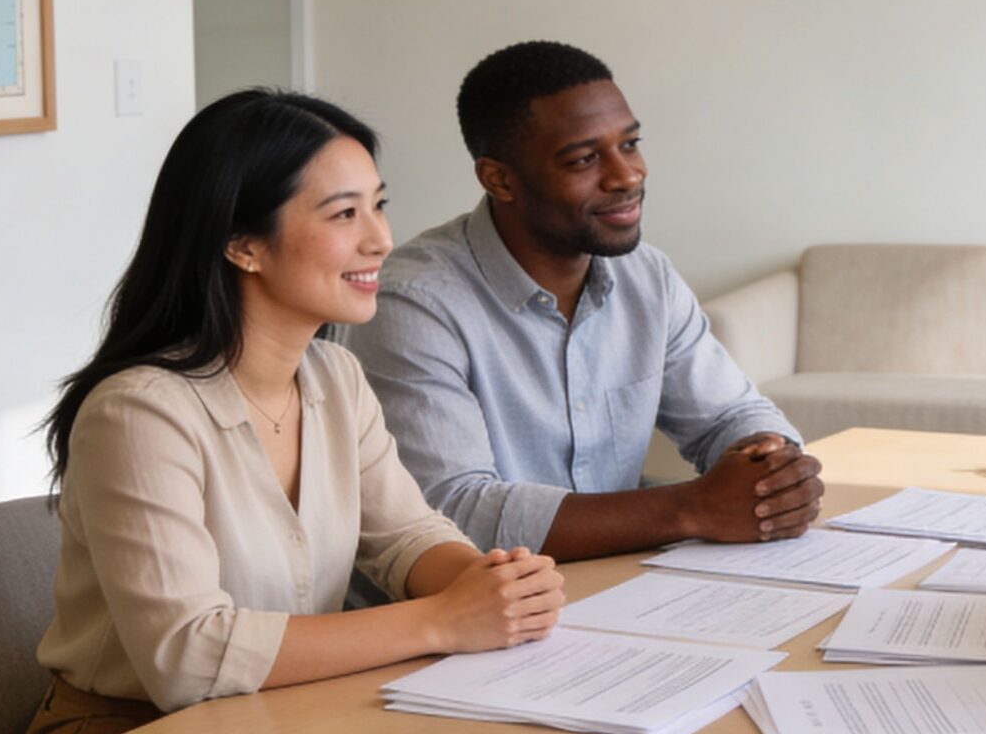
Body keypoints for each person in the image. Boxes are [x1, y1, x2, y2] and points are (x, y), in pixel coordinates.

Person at [24, 90, 566, 734]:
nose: (381, 238)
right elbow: (186, 656)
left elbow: (405, 538)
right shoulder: (139, 413)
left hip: (283, 717)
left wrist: (489, 583)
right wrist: (442, 621)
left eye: (378, 204)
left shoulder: (333, 377)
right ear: (243, 245)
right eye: (345, 213)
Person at [342, 41, 820, 562]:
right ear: (499, 179)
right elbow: (452, 513)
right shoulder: (413, 304)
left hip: (617, 585)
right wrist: (693, 509)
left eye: (630, 144)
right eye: (585, 159)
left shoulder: (646, 276)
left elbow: (730, 415)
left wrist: (773, 466)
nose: (627, 175)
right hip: (474, 613)